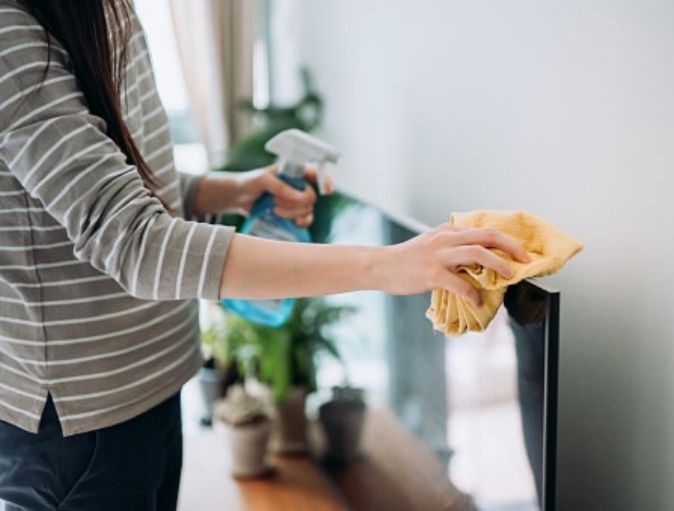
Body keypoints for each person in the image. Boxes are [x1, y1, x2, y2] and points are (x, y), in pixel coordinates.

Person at [0, 1, 530, 510]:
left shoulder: (105, 9)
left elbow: (119, 184)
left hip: (150, 383)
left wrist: (227, 191)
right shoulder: (11, 34)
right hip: (79, 422)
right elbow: (134, 241)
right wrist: (385, 264)